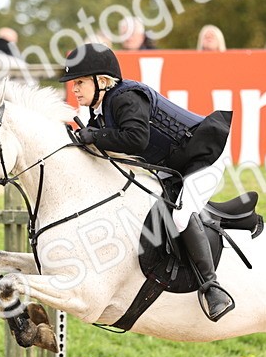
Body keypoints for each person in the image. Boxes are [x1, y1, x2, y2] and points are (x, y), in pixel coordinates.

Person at [59, 43, 235, 322]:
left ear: (102, 81)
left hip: (205, 156)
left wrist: (94, 136)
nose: (75, 89)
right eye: (73, 83)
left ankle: (213, 288)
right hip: (172, 165)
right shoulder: (100, 109)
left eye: (79, 82)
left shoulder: (125, 98)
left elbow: (136, 139)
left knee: (180, 216)